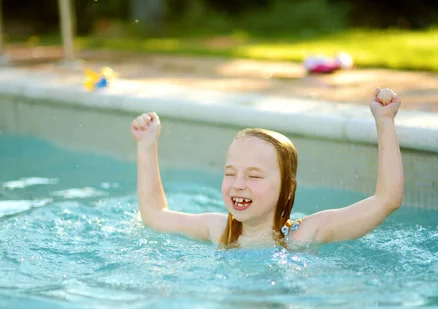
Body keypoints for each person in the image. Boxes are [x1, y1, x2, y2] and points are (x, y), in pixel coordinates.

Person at [130, 87, 403, 249]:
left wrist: (385, 122)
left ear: (286, 187)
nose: (238, 184)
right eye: (229, 173)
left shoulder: (303, 235)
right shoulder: (217, 230)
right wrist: (146, 144)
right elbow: (154, 216)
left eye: (254, 176)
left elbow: (386, 200)